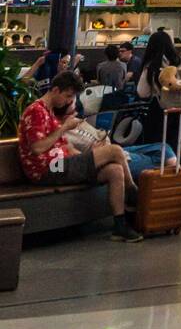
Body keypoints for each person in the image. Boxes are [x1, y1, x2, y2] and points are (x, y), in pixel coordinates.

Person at [17, 72, 142, 241]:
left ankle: (119, 226)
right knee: (115, 151)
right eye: (68, 96)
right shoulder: (36, 111)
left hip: (60, 164)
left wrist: (86, 157)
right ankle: (133, 192)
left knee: (115, 170)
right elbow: (37, 148)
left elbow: (63, 146)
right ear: (55, 90)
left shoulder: (49, 112)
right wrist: (64, 127)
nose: (69, 101)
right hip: (49, 168)